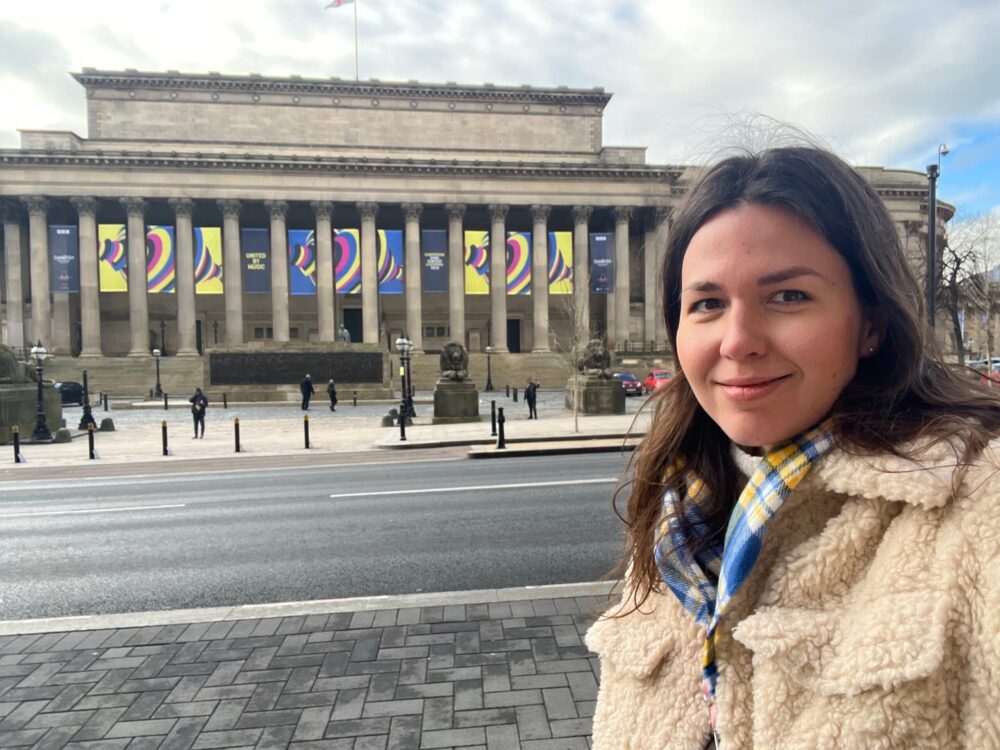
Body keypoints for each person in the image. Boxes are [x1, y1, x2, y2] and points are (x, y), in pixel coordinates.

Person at [585, 146, 1000, 749]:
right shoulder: (680, 516)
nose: (738, 341)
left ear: (872, 323)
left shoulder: (981, 507)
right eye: (707, 304)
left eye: (788, 296)